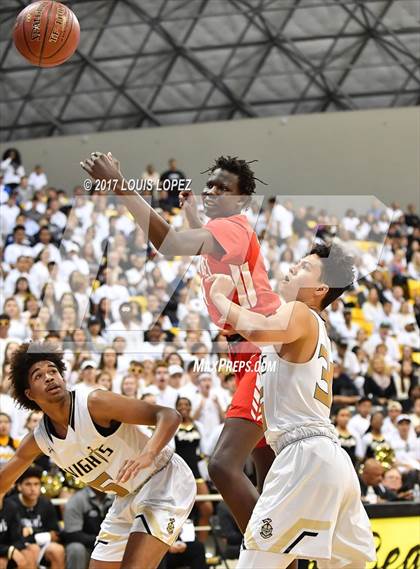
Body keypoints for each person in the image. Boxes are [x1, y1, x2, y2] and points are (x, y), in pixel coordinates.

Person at [81, 153, 280, 534]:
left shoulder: (234, 227)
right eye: (211, 183)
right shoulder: (221, 231)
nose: (212, 190)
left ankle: (266, 548)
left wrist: (118, 183)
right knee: (265, 462)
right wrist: (192, 212)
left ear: (240, 200)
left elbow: (170, 244)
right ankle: (283, 551)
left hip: (262, 348)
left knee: (223, 464)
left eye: (223, 187)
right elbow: (199, 247)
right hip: (245, 350)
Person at [209, 243, 375, 568]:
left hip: (304, 458)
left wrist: (218, 298)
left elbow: (259, 329)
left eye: (303, 267)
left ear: (320, 288)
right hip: (330, 461)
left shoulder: (299, 312)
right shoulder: (313, 325)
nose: (292, 268)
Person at [0, 342, 196, 569]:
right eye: (39, 375)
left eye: (53, 371)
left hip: (164, 479)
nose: (50, 377)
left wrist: (149, 453)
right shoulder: (40, 439)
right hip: (126, 497)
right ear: (29, 393)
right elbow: (3, 481)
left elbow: (169, 415)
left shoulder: (94, 403)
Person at [7, 466, 65, 569]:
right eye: (28, 484)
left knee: (58, 550)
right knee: (31, 551)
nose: (33, 489)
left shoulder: (46, 503)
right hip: (18, 545)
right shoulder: (11, 504)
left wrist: (31, 531)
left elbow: (55, 534)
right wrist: (42, 534)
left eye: (36, 484)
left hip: (41, 542)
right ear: (19, 487)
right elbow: (13, 536)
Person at [174, 397, 212, 543]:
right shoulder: (173, 425)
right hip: (178, 473)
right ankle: (177, 545)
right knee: (179, 511)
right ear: (176, 408)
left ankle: (200, 547)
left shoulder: (198, 426)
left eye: (186, 404)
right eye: (180, 405)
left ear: (191, 407)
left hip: (195, 472)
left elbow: (205, 450)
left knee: (207, 509)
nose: (183, 407)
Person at [63, 486, 114, 569]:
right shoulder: (77, 499)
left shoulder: (116, 497)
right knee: (76, 549)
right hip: (87, 545)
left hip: (111, 543)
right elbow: (72, 534)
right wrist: (99, 541)